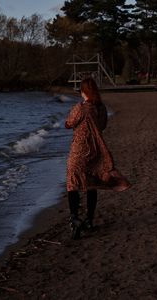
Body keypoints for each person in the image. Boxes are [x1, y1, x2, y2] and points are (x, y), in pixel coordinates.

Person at [65, 77, 131, 239]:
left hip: (79, 150)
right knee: (91, 183)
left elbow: (68, 124)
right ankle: (89, 219)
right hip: (95, 150)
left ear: (83, 91)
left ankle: (74, 219)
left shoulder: (80, 108)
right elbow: (102, 126)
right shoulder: (101, 108)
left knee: (72, 183)